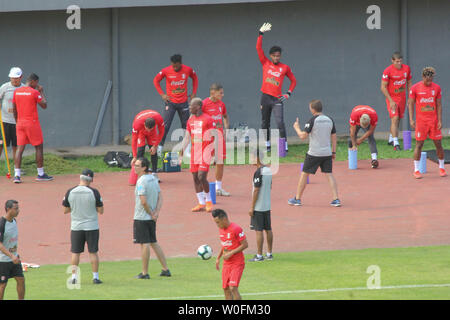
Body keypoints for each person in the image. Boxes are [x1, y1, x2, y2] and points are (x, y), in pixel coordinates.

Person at [288, 100, 341, 207]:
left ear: (312, 109)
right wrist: (333, 151)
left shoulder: (312, 120)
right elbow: (334, 136)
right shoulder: (330, 120)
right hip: (327, 153)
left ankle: (297, 199)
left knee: (304, 174)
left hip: (314, 153)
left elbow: (303, 136)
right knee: (329, 174)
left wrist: (297, 128)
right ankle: (336, 199)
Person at [257, 22, 297, 153]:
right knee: (265, 123)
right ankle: (267, 144)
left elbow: (293, 81)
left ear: (280, 56)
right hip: (265, 97)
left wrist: (288, 93)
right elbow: (258, 49)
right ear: (270, 56)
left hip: (277, 99)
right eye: (274, 55)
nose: (276, 57)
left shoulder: (284, 67)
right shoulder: (265, 63)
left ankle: (283, 146)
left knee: (280, 123)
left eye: (278, 55)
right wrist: (260, 34)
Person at [63, 169, 104, 285]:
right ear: (91, 179)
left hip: (76, 226)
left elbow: (65, 210)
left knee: (75, 252)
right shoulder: (94, 192)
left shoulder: (70, 191)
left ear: (80, 178)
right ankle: (95, 277)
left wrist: (75, 208)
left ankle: (74, 277)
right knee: (93, 252)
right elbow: (101, 210)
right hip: (92, 226)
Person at [133, 157, 171, 279]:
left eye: (137, 165)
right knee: (153, 242)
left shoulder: (141, 181)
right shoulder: (153, 179)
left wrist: (150, 213)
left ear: (144, 167)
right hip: (151, 218)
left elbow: (143, 201)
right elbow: (160, 197)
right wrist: (156, 213)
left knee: (144, 244)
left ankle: (145, 272)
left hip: (142, 217)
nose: (135, 167)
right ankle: (165, 269)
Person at [154, 54, 198, 155]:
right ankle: (159, 149)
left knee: (186, 126)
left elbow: (195, 78)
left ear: (180, 64)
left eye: (177, 66)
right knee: (165, 126)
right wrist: (162, 94)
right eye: (173, 66)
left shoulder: (188, 70)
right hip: (171, 103)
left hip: (183, 103)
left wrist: (194, 92)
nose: (175, 68)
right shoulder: (165, 71)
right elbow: (156, 80)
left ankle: (186, 150)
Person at [12, 73, 52, 183]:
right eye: (36, 83)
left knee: (20, 149)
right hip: (32, 123)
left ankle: (17, 176)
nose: (36, 85)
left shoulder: (17, 91)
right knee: (38, 147)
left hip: (20, 123)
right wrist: (41, 91)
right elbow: (44, 105)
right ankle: (40, 174)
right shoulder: (34, 92)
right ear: (33, 81)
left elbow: (14, 109)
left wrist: (17, 121)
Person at [408, 67, 446, 179]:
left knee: (438, 144)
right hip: (421, 122)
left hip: (433, 121)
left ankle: (442, 167)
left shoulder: (437, 88)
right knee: (419, 145)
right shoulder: (415, 88)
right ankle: (416, 170)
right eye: (427, 80)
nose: (429, 82)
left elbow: (439, 105)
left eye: (431, 80)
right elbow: (410, 104)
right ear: (423, 77)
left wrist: (439, 120)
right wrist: (411, 119)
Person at [180, 97, 215, 212]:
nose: (189, 107)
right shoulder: (190, 120)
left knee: (202, 176)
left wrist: (214, 154)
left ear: (198, 107)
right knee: (195, 178)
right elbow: (187, 137)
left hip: (206, 152)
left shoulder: (208, 119)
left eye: (191, 106)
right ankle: (201, 203)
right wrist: (182, 150)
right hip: (195, 153)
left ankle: (209, 201)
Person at [212, 209, 248, 300]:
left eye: (218, 222)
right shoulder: (221, 230)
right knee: (226, 289)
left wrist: (231, 253)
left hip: (237, 263)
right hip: (226, 264)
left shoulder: (236, 229)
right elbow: (224, 245)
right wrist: (218, 258)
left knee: (233, 287)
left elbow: (245, 245)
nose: (217, 225)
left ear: (224, 219)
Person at [202, 83, 231, 196]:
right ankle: (204, 189)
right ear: (213, 92)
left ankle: (218, 188)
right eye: (221, 93)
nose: (222, 95)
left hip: (219, 137)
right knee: (206, 163)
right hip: (208, 138)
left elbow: (225, 116)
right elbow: (196, 118)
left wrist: (226, 129)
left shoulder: (221, 104)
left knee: (220, 162)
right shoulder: (204, 104)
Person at [381, 52, 412, 150]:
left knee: (398, 119)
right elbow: (383, 87)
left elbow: (409, 82)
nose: (399, 63)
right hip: (392, 98)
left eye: (400, 61)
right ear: (392, 61)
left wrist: (410, 97)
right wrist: (390, 100)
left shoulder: (406, 68)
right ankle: (396, 143)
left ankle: (391, 139)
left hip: (402, 98)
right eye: (397, 61)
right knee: (395, 118)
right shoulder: (387, 71)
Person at [129, 109, 165, 185]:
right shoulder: (137, 124)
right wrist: (134, 156)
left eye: (150, 129)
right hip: (141, 132)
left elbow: (161, 132)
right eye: (147, 129)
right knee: (140, 151)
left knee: (153, 151)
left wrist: (155, 146)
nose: (148, 131)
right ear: (144, 124)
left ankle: (154, 173)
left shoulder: (159, 119)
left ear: (154, 125)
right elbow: (134, 140)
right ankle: (141, 175)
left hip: (153, 134)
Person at [248, 151, 273, 262]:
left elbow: (256, 189)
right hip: (267, 206)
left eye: (252, 157)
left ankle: (259, 256)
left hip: (258, 207)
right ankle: (269, 254)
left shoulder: (258, 172)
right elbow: (270, 187)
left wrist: (252, 207)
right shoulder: (269, 171)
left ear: (257, 158)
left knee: (259, 230)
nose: (251, 159)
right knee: (268, 229)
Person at [0, 200, 25, 300]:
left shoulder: (14, 221)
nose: (18, 211)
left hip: (14, 259)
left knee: (21, 280)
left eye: (18, 208)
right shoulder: (2, 224)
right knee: (2, 285)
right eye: (16, 209)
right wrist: (11, 256)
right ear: (8, 209)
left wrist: (15, 255)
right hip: (3, 260)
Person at [0, 67, 25, 163]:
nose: (14, 79)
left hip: (18, 123)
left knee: (16, 146)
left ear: (21, 77)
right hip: (4, 122)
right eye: (12, 77)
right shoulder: (5, 87)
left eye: (16, 77)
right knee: (1, 144)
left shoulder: (24, 88)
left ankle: (17, 168)